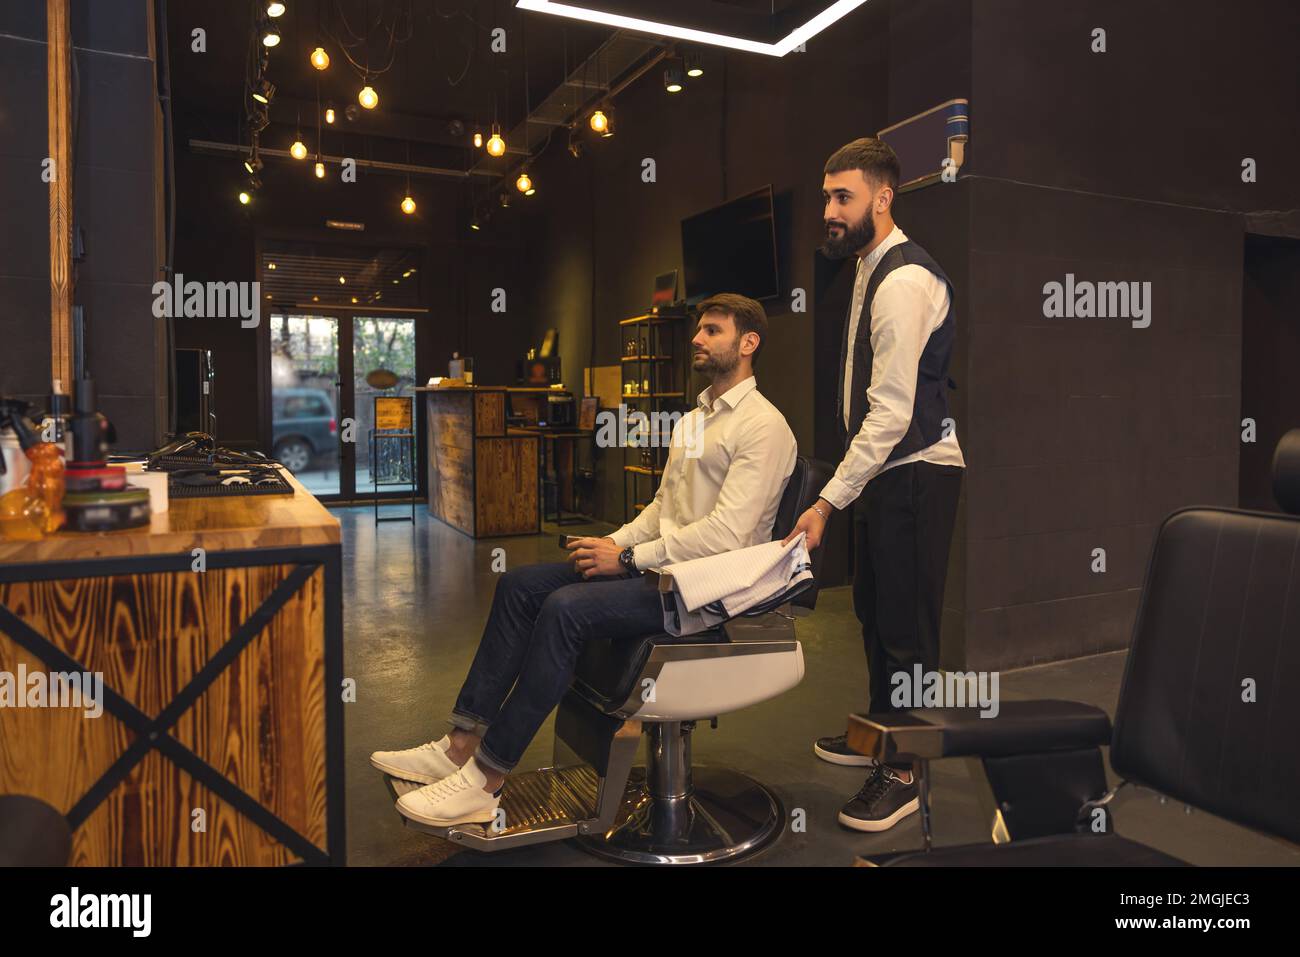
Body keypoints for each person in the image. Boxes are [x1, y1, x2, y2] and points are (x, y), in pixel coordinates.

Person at [373, 293, 797, 827]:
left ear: (748, 343)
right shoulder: (695, 419)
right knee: (521, 586)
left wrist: (628, 557)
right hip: (661, 569)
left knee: (565, 609)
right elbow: (664, 508)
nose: (696, 338)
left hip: (706, 589)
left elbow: (728, 536)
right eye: (700, 329)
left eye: (712, 330)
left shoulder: (764, 426)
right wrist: (611, 546)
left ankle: (486, 777)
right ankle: (459, 742)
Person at [784, 137, 965, 832]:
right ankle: (880, 736)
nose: (829, 210)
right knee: (873, 615)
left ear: (883, 198)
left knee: (908, 630)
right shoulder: (867, 268)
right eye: (827, 196)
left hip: (918, 472)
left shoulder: (904, 280)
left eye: (843, 197)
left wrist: (828, 499)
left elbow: (891, 410)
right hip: (884, 476)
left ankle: (907, 771)